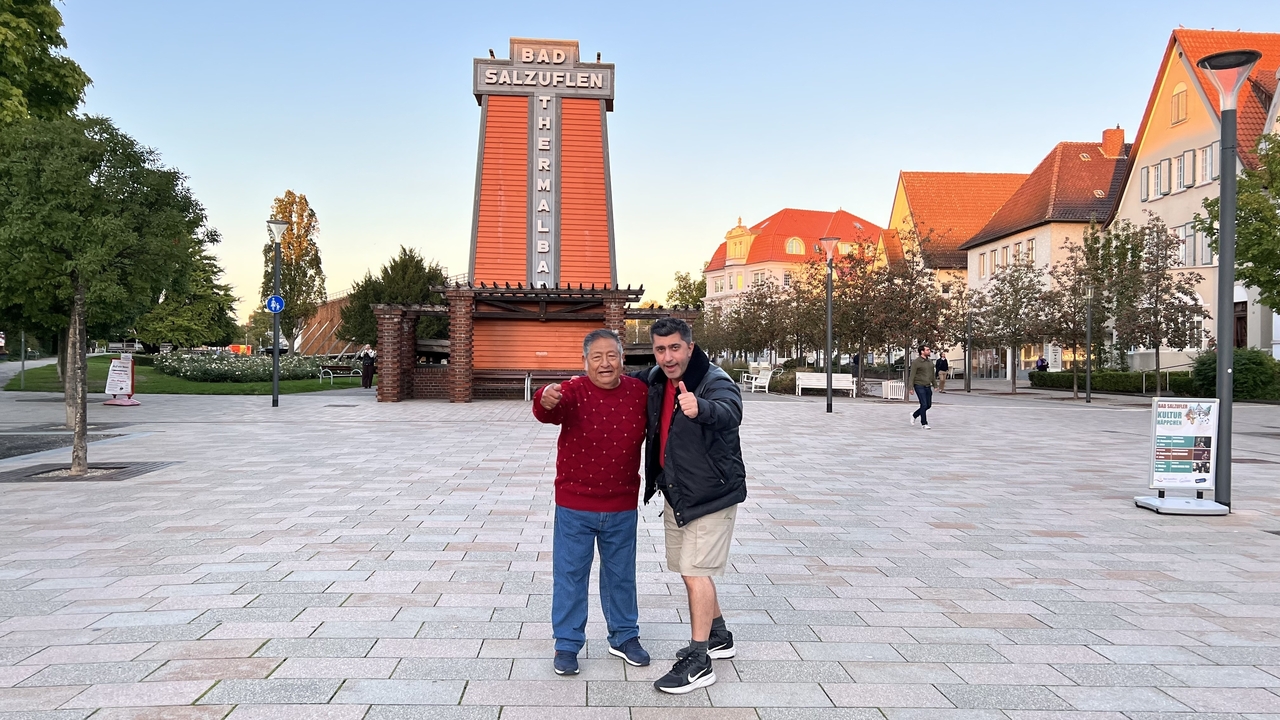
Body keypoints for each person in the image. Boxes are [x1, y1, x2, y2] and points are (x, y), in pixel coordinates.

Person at [532, 329, 650, 676]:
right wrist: (543, 397)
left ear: (622, 359)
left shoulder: (639, 392)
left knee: (621, 577)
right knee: (570, 576)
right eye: (596, 357)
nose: (604, 363)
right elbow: (546, 410)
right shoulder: (573, 391)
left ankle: (624, 636)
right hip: (575, 505)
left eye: (611, 355)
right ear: (585, 362)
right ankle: (567, 645)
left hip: (621, 505)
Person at [640, 318, 746, 694]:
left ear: (689, 346)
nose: (668, 357)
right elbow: (617, 384)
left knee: (695, 571)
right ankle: (719, 637)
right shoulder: (656, 379)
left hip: (711, 494)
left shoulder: (713, 379)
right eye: (660, 349)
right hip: (678, 491)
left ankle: (700, 661)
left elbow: (730, 410)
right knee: (689, 570)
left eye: (674, 348)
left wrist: (700, 407)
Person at [908, 345, 937, 429]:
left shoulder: (930, 362)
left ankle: (914, 415)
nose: (929, 351)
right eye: (927, 350)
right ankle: (924, 423)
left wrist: (935, 385)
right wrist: (911, 387)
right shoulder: (916, 362)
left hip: (928, 385)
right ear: (922, 351)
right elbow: (912, 375)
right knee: (923, 404)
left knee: (928, 405)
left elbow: (932, 375)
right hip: (919, 385)